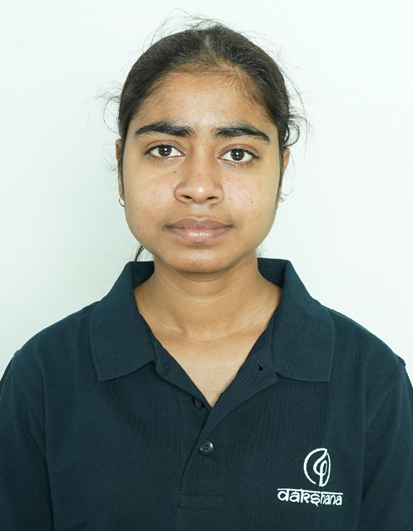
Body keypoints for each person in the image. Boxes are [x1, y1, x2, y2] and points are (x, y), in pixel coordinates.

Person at [0, 20, 412, 531]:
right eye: (164, 149)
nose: (199, 186)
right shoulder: (44, 376)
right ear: (121, 166)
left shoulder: (369, 379)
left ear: (281, 170)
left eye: (238, 154)